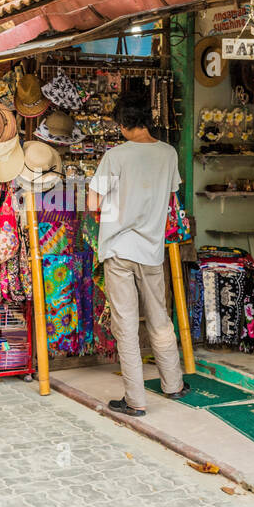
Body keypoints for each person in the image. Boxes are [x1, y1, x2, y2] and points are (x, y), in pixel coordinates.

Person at [86, 91, 186, 417]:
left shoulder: (116, 156)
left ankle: (135, 400)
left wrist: (118, 206)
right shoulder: (168, 153)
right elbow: (170, 197)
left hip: (118, 249)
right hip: (152, 250)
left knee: (125, 325)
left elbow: (92, 204)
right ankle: (174, 384)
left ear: (123, 124)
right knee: (160, 319)